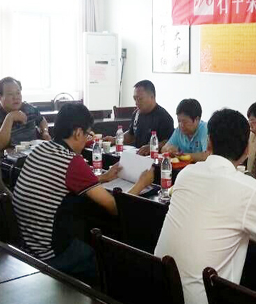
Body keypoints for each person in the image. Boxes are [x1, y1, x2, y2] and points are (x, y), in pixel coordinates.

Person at [154, 108, 256, 304]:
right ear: (246, 150)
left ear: (209, 141)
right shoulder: (248, 189)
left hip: (159, 302)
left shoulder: (187, 174)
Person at [13, 103, 153, 282]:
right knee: (108, 262)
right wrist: (142, 183)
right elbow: (115, 207)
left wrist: (103, 177)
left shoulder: (40, 149)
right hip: (49, 253)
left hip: (26, 244)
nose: (87, 139)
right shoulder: (71, 161)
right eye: (87, 134)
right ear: (78, 133)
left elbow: (65, 180)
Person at [105, 80, 174, 155]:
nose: (136, 103)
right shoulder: (137, 113)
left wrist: (151, 147)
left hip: (155, 158)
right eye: (135, 98)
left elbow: (169, 143)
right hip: (138, 155)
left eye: (140, 99)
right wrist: (115, 139)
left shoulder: (164, 117)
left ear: (152, 97)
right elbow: (131, 135)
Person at [0, 77, 51, 149]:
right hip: (8, 154)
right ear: (0, 97)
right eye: (10, 94)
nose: (16, 97)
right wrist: (10, 117)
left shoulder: (29, 109)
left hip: (33, 151)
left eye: (18, 93)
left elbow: (41, 120)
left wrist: (45, 132)